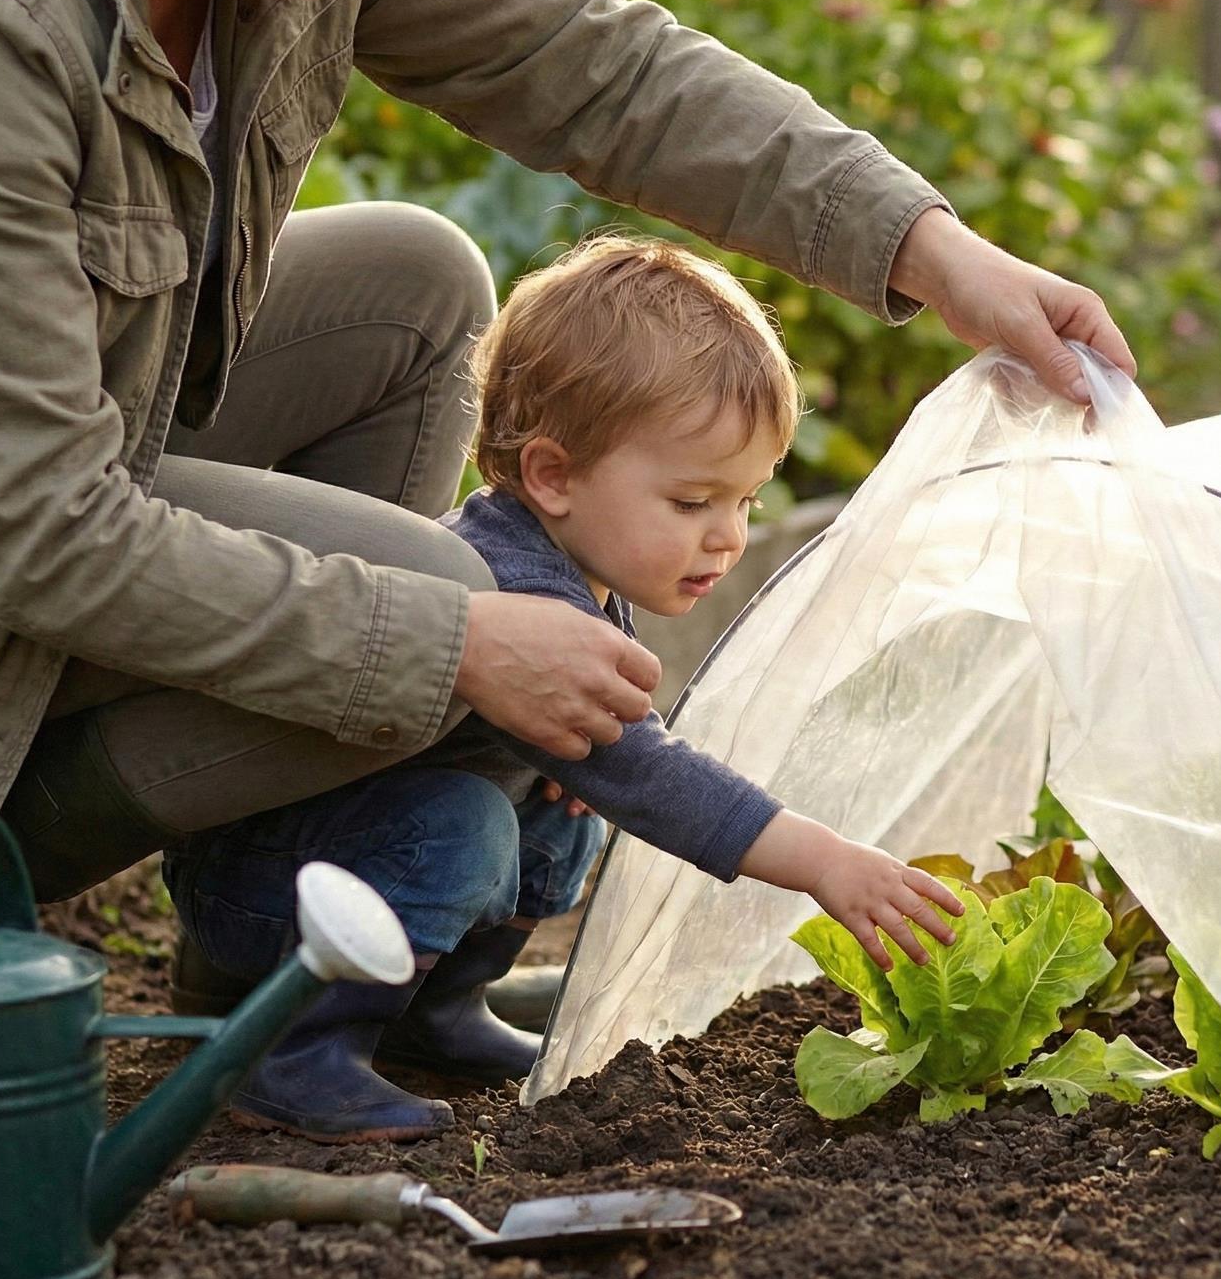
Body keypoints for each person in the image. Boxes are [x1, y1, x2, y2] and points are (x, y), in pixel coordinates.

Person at [0, 0, 1134, 945]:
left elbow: (592, 65)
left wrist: (930, 249)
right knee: (432, 596)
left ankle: (356, 921)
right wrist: (446, 646)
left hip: (68, 469)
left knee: (414, 293)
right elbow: (31, 525)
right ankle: (21, 862)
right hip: (12, 536)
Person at [162, 235, 967, 1142]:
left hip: (352, 855)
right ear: (553, 476)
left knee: (560, 805)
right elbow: (652, 778)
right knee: (477, 823)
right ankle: (293, 1054)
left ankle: (436, 1012)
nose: (729, 538)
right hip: (272, 894)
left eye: (746, 501)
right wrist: (823, 861)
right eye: (693, 502)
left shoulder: (577, 559)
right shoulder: (507, 576)